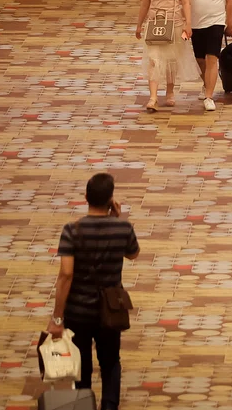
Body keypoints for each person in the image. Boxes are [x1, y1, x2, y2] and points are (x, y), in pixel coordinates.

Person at [47, 173, 139, 410]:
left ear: (86, 197)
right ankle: (109, 406)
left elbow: (66, 274)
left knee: (82, 365)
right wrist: (116, 219)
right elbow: (133, 253)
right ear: (111, 200)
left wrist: (57, 317)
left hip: (78, 311)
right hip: (111, 309)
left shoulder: (72, 230)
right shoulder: (123, 228)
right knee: (110, 362)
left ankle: (84, 405)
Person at [135, 0, 198, 112]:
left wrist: (188, 23)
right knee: (154, 59)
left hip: (175, 24)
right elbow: (144, 3)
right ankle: (153, 97)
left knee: (171, 60)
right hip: (154, 24)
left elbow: (186, 2)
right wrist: (139, 25)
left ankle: (170, 91)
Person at [185, 0, 232, 112]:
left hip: (216, 22)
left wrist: (229, 23)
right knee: (200, 59)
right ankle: (207, 83)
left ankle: (209, 96)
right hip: (196, 23)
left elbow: (230, 1)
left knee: (212, 58)